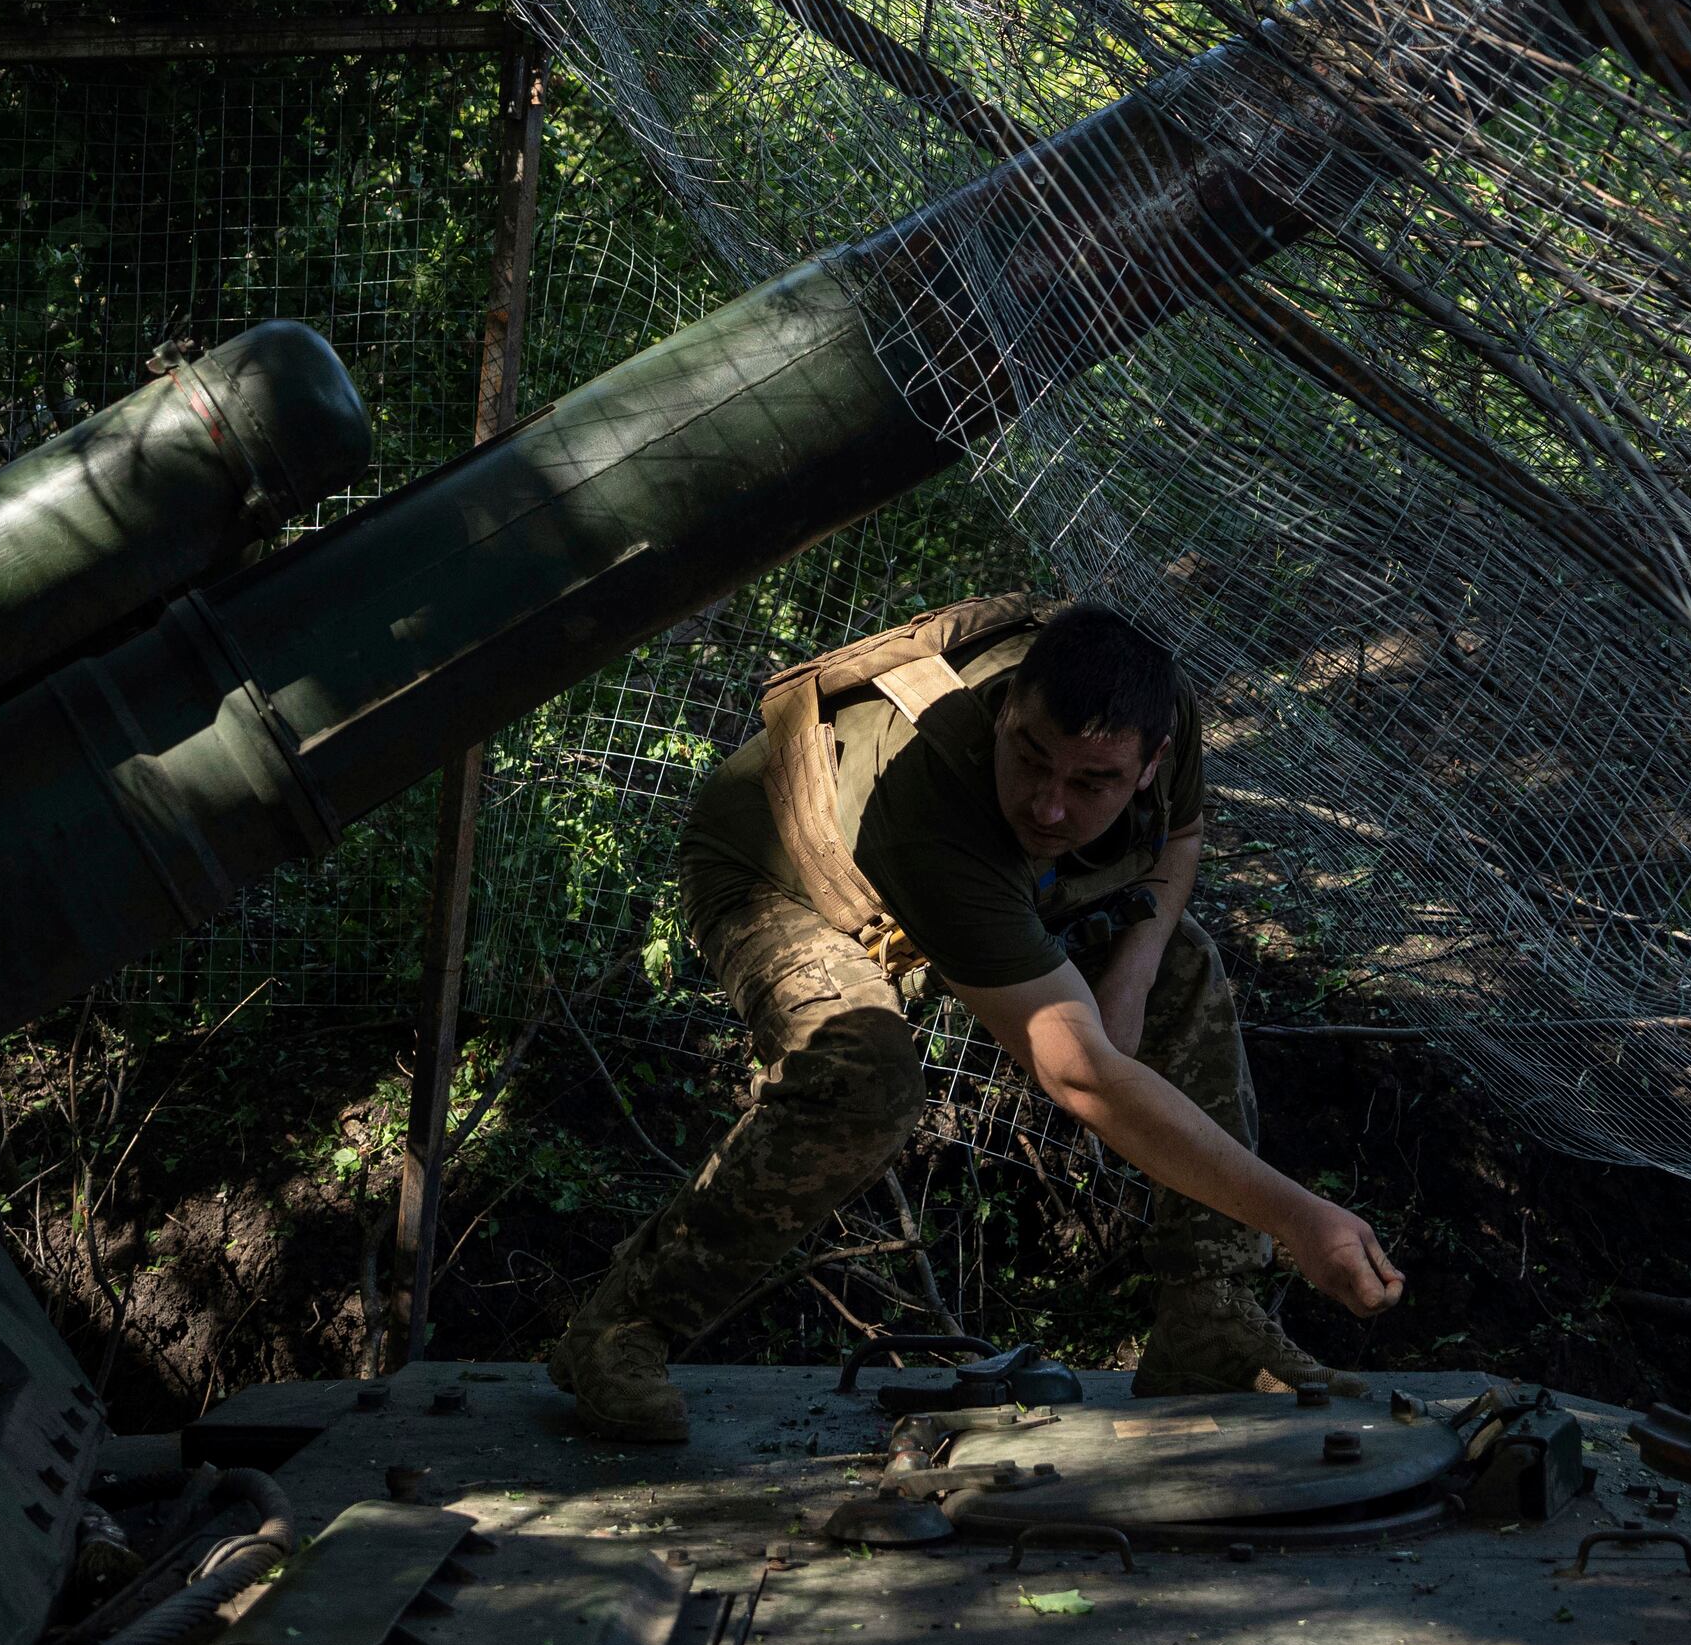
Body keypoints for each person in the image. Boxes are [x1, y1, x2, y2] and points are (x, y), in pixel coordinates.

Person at [543, 596, 1404, 1445]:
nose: (1050, 806)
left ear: (1151, 760)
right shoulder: (931, 801)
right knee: (861, 1074)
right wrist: (1299, 1218)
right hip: (773, 865)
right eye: (1030, 758)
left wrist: (1135, 970)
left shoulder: (1156, 704)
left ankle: (1208, 1319)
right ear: (1007, 711)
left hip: (973, 870)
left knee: (1181, 963)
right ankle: (623, 1327)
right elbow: (1076, 1071)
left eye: (1092, 782)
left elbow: (1178, 836)